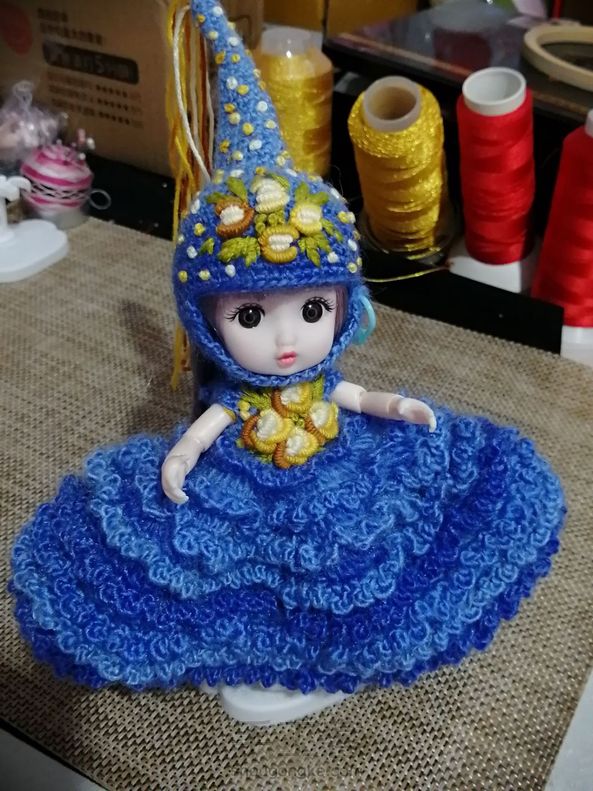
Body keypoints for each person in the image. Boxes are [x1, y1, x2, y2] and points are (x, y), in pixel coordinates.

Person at [10, 0, 565, 725]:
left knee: (371, 555)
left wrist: (396, 407)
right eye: (248, 316)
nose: (284, 342)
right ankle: (279, 652)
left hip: (339, 465)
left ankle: (345, 647)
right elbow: (201, 433)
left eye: (311, 311)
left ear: (344, 306)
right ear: (207, 322)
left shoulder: (322, 373)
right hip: (240, 479)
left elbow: (354, 396)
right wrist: (178, 459)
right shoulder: (232, 395)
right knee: (208, 564)